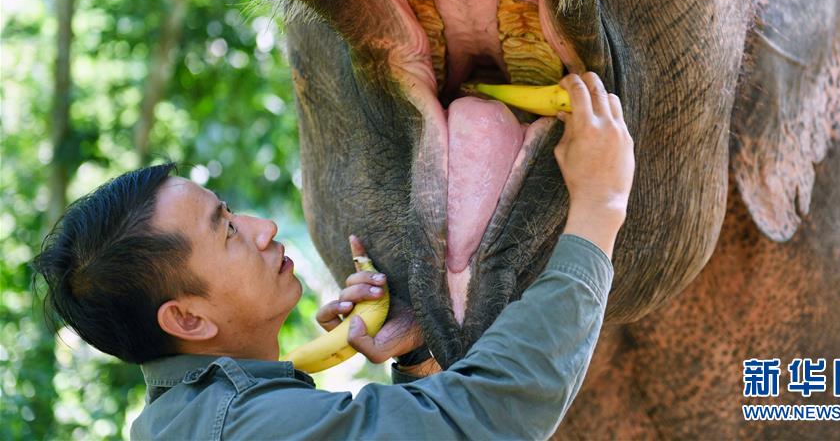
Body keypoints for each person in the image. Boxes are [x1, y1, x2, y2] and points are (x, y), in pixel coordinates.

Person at [33, 72, 634, 440]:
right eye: (227, 232)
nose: (263, 228)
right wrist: (598, 211)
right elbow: (487, 421)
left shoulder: (204, 416)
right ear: (188, 319)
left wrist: (416, 356)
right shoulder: (245, 430)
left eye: (230, 210)